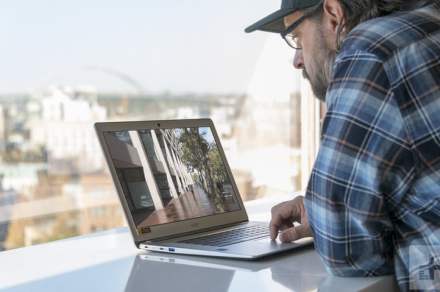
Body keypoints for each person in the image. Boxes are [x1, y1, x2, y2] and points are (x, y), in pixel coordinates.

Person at [245, 0, 440, 290]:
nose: (297, 60)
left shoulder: (370, 50)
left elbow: (347, 251)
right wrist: (320, 209)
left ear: (334, 15)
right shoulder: (430, 24)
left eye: (297, 38)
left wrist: (328, 216)